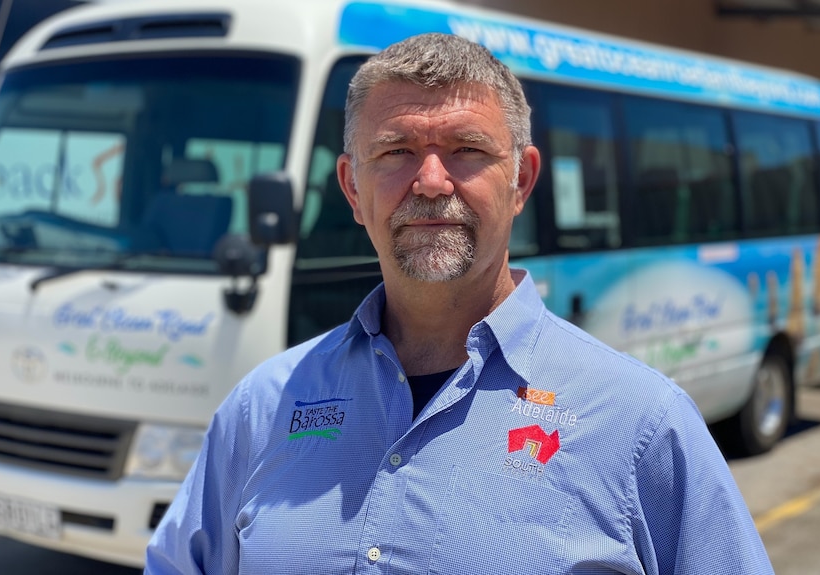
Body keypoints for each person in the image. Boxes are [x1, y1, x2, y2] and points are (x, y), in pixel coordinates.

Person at [145, 33, 774, 574]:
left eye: (467, 151)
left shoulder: (643, 422)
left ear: (522, 180)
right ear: (352, 189)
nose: (431, 182)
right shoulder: (262, 407)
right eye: (396, 153)